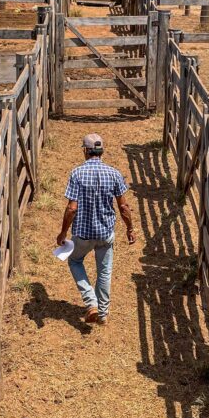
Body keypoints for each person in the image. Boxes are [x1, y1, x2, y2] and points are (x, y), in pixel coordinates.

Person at [56, 133, 136, 325]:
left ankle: (91, 302)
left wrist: (63, 232)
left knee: (75, 261)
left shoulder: (77, 173)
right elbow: (123, 207)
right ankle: (103, 313)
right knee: (104, 272)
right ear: (102, 151)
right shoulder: (114, 173)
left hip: (83, 234)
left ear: (85, 150)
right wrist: (130, 228)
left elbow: (72, 208)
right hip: (105, 233)